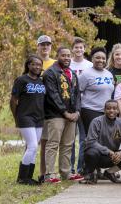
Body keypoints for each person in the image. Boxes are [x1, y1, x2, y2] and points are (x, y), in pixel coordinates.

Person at [42, 47, 81, 183]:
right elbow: (53, 95)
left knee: (68, 144)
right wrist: (65, 112)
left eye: (68, 55)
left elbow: (77, 95)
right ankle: (49, 174)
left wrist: (77, 111)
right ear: (57, 56)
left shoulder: (72, 73)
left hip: (72, 115)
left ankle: (66, 173)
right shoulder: (50, 73)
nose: (66, 58)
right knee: (53, 144)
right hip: (55, 115)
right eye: (63, 55)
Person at [79, 100, 121, 184]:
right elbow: (91, 142)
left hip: (114, 157)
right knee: (91, 152)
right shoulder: (96, 122)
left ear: (118, 110)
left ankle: (110, 173)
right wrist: (108, 151)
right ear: (104, 110)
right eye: (108, 108)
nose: (111, 110)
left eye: (114, 108)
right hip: (98, 155)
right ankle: (91, 174)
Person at [10, 55, 46, 185]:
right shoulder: (21, 80)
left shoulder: (42, 81)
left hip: (39, 118)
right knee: (32, 146)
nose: (37, 67)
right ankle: (22, 177)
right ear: (28, 65)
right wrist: (16, 118)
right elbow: (13, 100)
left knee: (34, 148)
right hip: (25, 117)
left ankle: (29, 177)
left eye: (39, 65)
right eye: (34, 64)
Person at [69, 37, 93, 177]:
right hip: (71, 106)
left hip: (85, 106)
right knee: (70, 138)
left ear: (84, 49)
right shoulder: (68, 64)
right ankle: (70, 168)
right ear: (73, 49)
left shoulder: (89, 65)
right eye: (76, 47)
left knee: (84, 139)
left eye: (81, 47)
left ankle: (81, 168)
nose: (78, 50)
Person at [79, 47, 115, 133]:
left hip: (107, 112)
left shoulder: (109, 74)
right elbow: (77, 92)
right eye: (97, 57)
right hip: (90, 111)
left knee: (105, 138)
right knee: (94, 139)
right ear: (92, 59)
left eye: (103, 58)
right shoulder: (86, 74)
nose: (101, 60)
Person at [36, 34, 56, 182]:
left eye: (47, 45)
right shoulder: (34, 63)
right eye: (42, 45)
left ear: (50, 47)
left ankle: (51, 171)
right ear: (38, 47)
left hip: (53, 108)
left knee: (52, 142)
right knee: (39, 143)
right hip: (37, 108)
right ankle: (40, 173)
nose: (45, 47)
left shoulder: (56, 64)